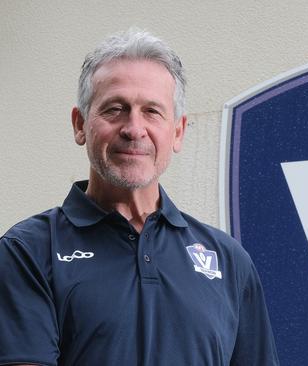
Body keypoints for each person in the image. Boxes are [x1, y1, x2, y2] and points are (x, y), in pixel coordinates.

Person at [0, 28, 279, 366]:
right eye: (115, 109)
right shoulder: (27, 251)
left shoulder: (229, 260)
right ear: (80, 125)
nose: (134, 129)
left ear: (176, 131)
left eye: (152, 111)